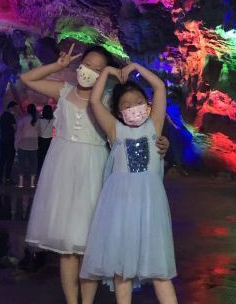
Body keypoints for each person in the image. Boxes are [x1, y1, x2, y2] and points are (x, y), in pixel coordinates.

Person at [20, 44, 170, 304]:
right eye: (87, 64)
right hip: (63, 169)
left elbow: (140, 129)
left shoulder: (109, 100)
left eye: (98, 69)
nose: (90, 71)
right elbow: (27, 79)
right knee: (67, 248)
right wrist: (59, 65)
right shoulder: (63, 91)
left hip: (95, 168)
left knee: (91, 243)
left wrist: (162, 144)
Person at [81, 62, 177, 304]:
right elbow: (94, 102)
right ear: (118, 111)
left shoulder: (154, 125)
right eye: (126, 105)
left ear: (147, 104)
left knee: (159, 268)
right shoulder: (115, 131)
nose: (133, 107)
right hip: (120, 204)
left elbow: (159, 87)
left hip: (150, 204)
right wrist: (108, 72)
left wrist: (135, 66)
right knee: (121, 267)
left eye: (138, 102)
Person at [15, 103, 39, 188]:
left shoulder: (23, 119)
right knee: (33, 163)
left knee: (21, 163)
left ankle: (21, 183)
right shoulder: (37, 119)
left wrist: (16, 145)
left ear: (27, 110)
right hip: (34, 144)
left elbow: (18, 133)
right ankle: (32, 183)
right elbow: (40, 132)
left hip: (23, 143)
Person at [0, 101, 18, 185]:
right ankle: (8, 178)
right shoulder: (11, 116)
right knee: (10, 160)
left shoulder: (2, 116)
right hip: (10, 140)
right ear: (11, 107)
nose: (16, 110)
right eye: (15, 108)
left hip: (3, 139)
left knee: (2, 160)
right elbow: (15, 127)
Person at [37, 104, 54, 176]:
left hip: (41, 140)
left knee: (40, 157)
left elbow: (37, 130)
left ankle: (40, 172)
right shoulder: (53, 120)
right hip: (50, 140)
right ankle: (47, 172)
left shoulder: (40, 120)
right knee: (48, 157)